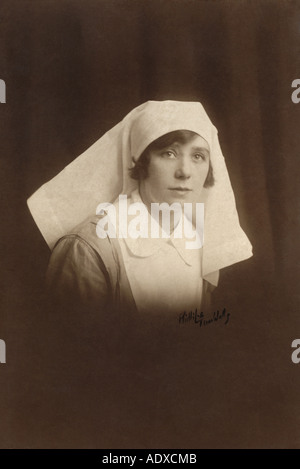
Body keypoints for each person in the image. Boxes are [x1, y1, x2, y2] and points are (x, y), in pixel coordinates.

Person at [27, 100, 253, 322]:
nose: (185, 172)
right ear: (141, 161)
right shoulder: (88, 248)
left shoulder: (200, 242)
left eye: (197, 156)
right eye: (169, 153)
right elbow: (75, 352)